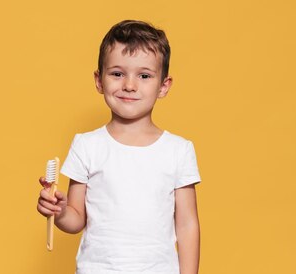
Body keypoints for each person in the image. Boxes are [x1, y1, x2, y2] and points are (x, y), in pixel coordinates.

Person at [36, 20, 202, 274]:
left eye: (144, 76)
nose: (129, 85)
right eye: (117, 73)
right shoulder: (87, 145)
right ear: (99, 80)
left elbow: (187, 224)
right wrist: (59, 212)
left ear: (163, 86)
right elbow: (76, 218)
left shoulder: (179, 151)